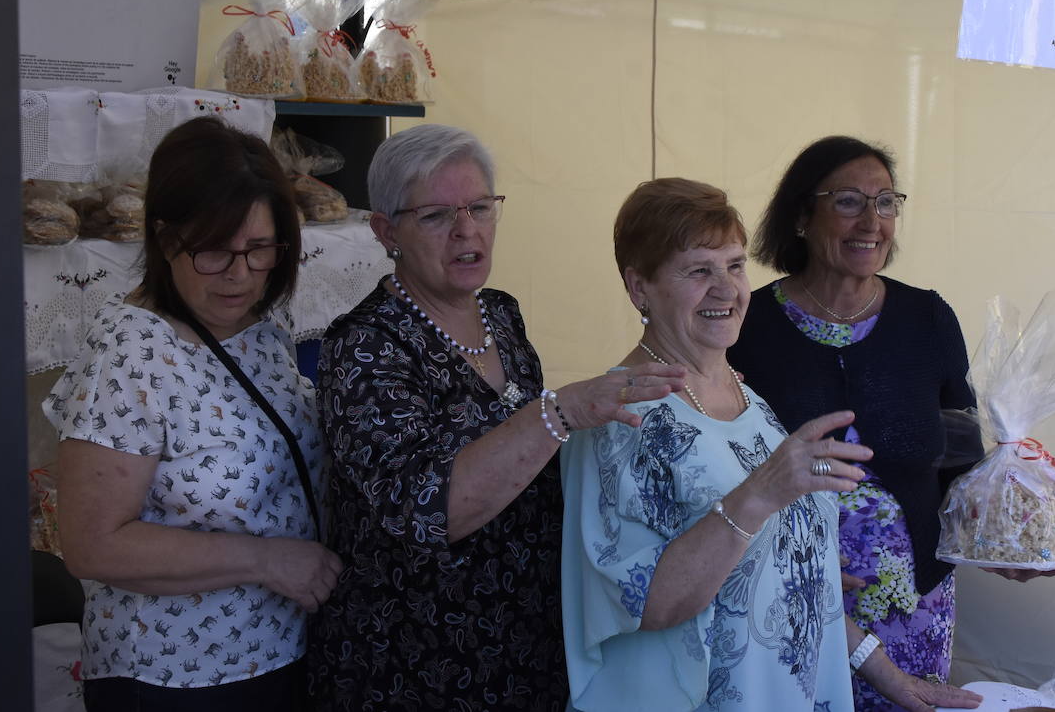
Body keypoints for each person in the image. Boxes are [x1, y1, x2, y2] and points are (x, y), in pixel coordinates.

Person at [561, 177, 980, 712]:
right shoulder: (617, 417)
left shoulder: (748, 400)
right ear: (639, 287)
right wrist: (758, 494)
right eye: (697, 271)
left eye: (735, 266)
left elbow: (792, 575)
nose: (726, 289)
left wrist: (888, 675)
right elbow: (644, 603)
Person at [307, 125, 685, 712]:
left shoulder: (500, 314)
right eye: (435, 216)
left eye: (480, 207)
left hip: (525, 646)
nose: (467, 230)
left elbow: (534, 469)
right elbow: (427, 509)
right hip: (415, 661)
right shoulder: (363, 346)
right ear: (386, 232)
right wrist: (559, 412)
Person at [728, 136, 1048, 712]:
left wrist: (1003, 536)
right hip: (788, 595)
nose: (871, 221)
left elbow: (958, 457)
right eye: (848, 201)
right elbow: (726, 468)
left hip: (912, 602)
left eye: (886, 202)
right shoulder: (747, 327)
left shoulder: (927, 318)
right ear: (802, 215)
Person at [43, 116, 343, 711]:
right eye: (213, 250)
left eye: (259, 249)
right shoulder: (131, 353)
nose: (239, 274)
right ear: (163, 237)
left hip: (277, 652)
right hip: (174, 678)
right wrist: (266, 559)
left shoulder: (262, 327)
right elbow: (93, 545)